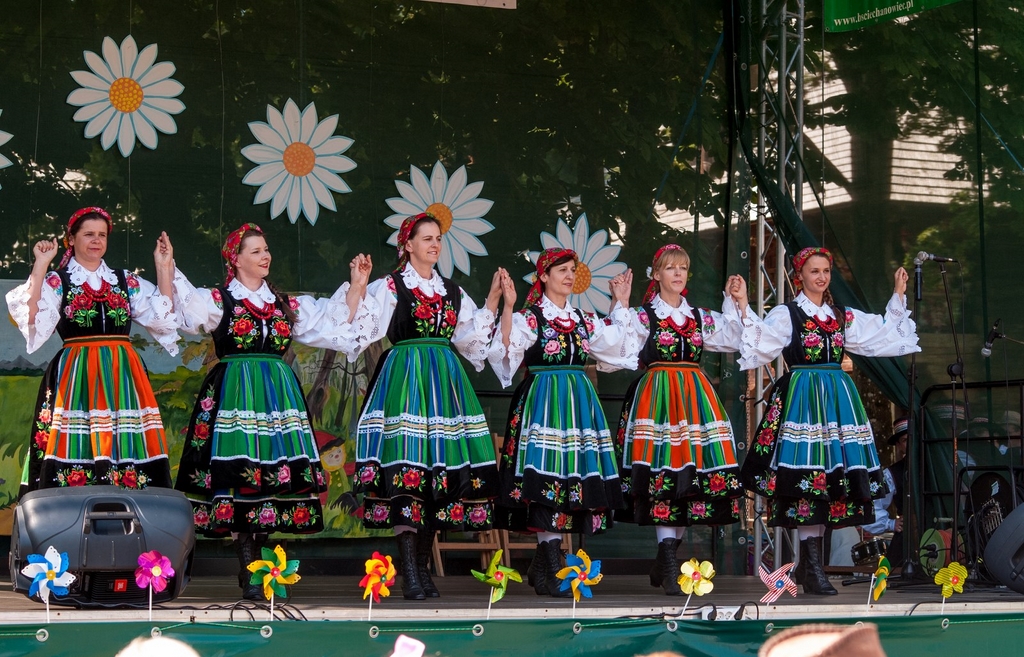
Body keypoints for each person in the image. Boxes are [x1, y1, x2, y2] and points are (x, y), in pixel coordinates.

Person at [170, 223, 350, 599]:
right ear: (235, 260)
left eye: (266, 249)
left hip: (276, 398)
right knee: (240, 476)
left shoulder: (284, 304)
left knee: (272, 480)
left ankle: (257, 569)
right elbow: (182, 309)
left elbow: (332, 323)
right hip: (235, 394)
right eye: (255, 251)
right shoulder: (220, 300)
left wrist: (358, 284)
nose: (265, 256)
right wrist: (166, 265)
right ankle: (248, 568)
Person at [732, 246, 920, 595]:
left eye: (826, 271)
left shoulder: (840, 315)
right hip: (803, 400)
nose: (821, 277)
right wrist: (743, 304)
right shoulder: (787, 314)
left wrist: (898, 294)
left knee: (830, 481)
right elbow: (761, 341)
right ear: (799, 276)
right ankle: (812, 567)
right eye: (814, 271)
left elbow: (881, 334)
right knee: (808, 477)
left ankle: (809, 567)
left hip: (836, 402)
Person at [343, 212, 506, 601]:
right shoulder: (391, 286)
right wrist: (359, 286)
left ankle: (421, 567)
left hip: (445, 383)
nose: (435, 244)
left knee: (439, 475)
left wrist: (494, 300)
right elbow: (361, 325)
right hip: (405, 380)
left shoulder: (452, 291)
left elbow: (472, 342)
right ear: (408, 245)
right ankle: (410, 571)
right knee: (407, 471)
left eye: (438, 238)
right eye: (427, 238)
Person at [489, 247, 635, 598]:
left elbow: (617, 346)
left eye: (572, 270)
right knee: (546, 479)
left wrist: (621, 302)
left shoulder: (583, 319)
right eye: (561, 270)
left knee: (571, 482)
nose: (569, 276)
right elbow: (505, 350)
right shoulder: (530, 317)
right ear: (543, 276)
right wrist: (508, 307)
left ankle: (542, 568)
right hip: (543, 404)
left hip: (579, 407)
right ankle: (552, 567)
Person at [5, 207, 179, 495]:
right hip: (77, 372)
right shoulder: (58, 281)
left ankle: (129, 503)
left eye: (102, 235)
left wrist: (162, 266)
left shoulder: (124, 280)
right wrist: (41, 264)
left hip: (122, 372)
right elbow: (32, 316)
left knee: (123, 438)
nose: (96, 240)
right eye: (88, 234)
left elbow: (162, 317)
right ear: (71, 239)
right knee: (76, 437)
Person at [611, 244, 745, 595]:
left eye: (683, 268)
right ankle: (669, 562)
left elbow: (735, 337)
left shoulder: (699, 316)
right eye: (670, 268)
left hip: (695, 400)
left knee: (691, 480)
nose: (678, 273)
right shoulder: (643, 316)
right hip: (657, 400)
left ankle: (666, 559)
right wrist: (620, 304)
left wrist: (736, 302)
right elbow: (618, 346)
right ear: (656, 275)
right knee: (664, 476)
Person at [862, 417, 907, 566]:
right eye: (905, 440)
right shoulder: (891, 474)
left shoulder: (942, 466)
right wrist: (890, 523)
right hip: (908, 540)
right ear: (899, 446)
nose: (911, 444)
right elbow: (869, 506)